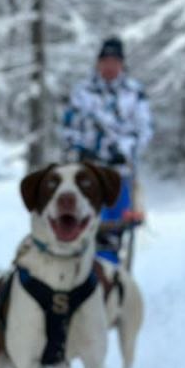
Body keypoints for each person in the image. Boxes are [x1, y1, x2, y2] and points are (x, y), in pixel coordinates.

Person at [61, 37, 152, 262]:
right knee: (84, 224)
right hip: (87, 172)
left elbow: (144, 130)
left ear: (122, 64)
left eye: (115, 61)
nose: (110, 66)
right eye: (105, 61)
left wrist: (125, 148)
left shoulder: (134, 93)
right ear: (98, 63)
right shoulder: (82, 92)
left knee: (114, 229)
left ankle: (110, 275)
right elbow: (68, 127)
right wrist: (79, 147)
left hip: (120, 173)